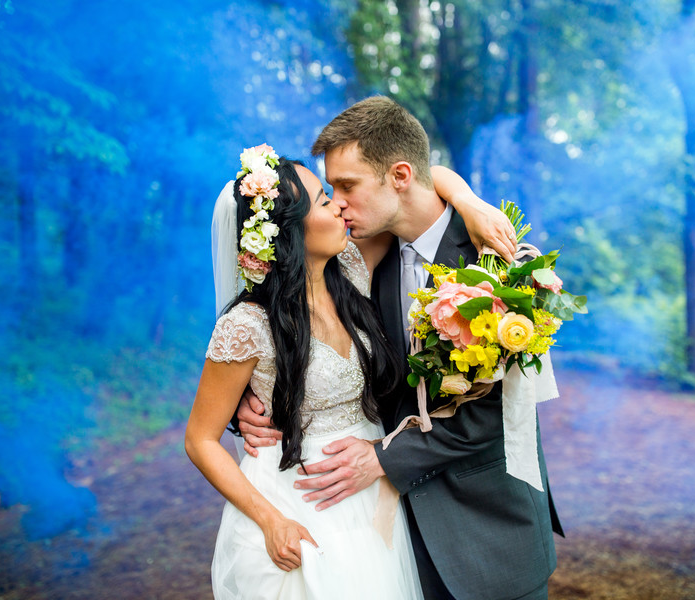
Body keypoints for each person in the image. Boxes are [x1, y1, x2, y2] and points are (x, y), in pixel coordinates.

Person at [237, 97, 564, 600]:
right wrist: (251, 400)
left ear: (401, 175)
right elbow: (283, 329)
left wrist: (381, 459)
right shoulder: (362, 260)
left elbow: (498, 414)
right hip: (391, 545)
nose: (337, 202)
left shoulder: (504, 263)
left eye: (347, 186)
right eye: (331, 190)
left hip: (489, 531)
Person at [185, 143, 517, 599]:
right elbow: (199, 440)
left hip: (370, 494)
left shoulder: (352, 269)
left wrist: (469, 203)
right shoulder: (247, 325)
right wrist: (270, 519)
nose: (339, 205)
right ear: (289, 232)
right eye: (324, 199)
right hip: (293, 501)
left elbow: (420, 180)